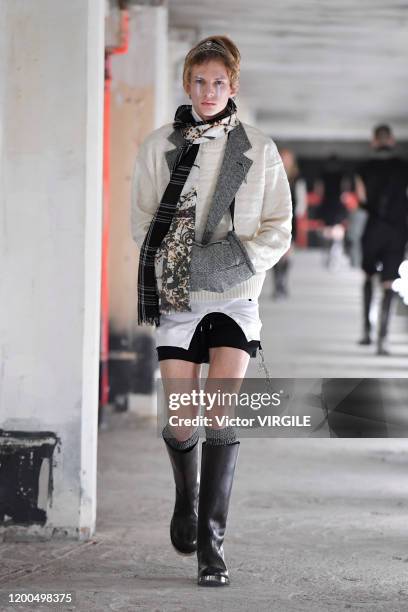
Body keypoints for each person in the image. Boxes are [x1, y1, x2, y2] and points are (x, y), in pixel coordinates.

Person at [131, 35, 292, 586]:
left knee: (220, 414)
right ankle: (187, 499)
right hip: (177, 296)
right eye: (199, 81)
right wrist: (184, 267)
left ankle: (211, 546)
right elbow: (142, 222)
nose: (208, 91)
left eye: (218, 82)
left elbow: (279, 227)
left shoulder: (260, 149)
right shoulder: (158, 146)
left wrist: (231, 263)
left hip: (236, 294)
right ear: (187, 84)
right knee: (181, 421)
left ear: (233, 86)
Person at [355, 124, 408, 355]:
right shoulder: (404, 168)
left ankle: (367, 331)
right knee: (389, 283)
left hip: (374, 227)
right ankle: (382, 340)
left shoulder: (363, 168)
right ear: (392, 141)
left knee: (368, 276)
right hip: (397, 230)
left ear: (374, 141)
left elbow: (361, 199)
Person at [272, 148, 306, 299]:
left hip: (290, 219)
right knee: (274, 252)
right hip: (272, 216)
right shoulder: (272, 173)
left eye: (287, 158)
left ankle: (283, 282)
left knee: (287, 252)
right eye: (282, 157)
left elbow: (301, 200)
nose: (284, 160)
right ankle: (278, 283)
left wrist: (295, 215)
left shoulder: (297, 179)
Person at [315, 154, 349, 270]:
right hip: (337, 205)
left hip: (326, 204)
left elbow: (318, 191)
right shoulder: (341, 175)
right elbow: (345, 191)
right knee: (337, 230)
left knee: (327, 230)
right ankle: (335, 250)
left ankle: (329, 251)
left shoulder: (323, 175)